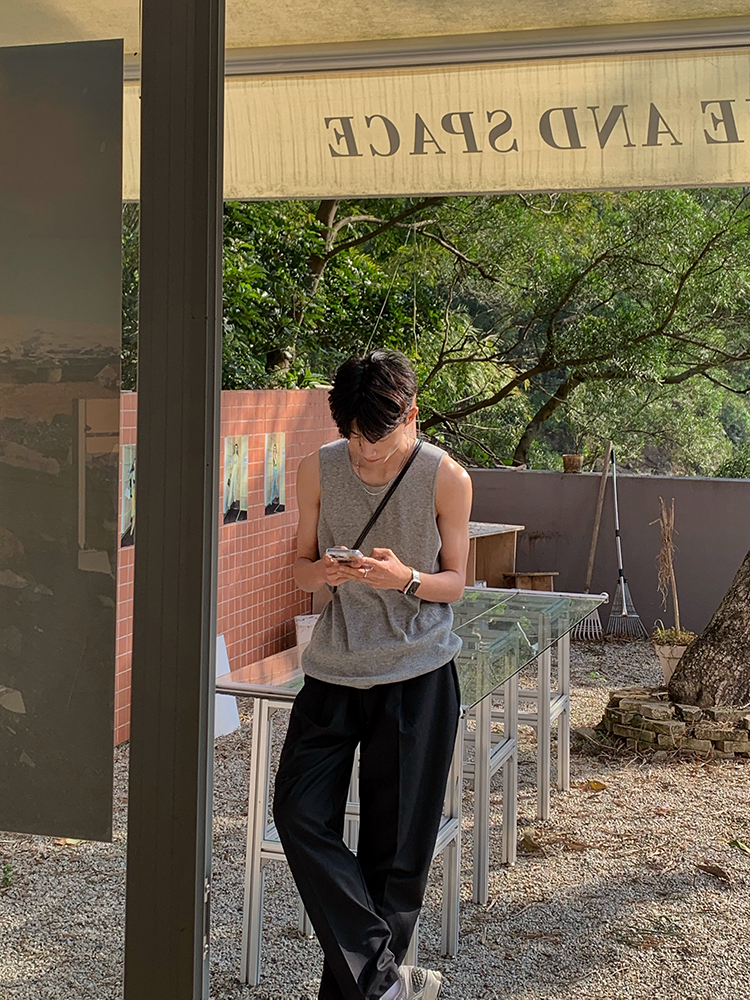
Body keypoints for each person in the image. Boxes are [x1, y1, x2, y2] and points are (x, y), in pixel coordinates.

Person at [273, 350, 472, 1000]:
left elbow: (455, 583)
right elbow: (299, 570)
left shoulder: (447, 478)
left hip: (418, 677)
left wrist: (404, 578)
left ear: (411, 415)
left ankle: (375, 988)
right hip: (334, 672)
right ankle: (385, 983)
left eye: (376, 440)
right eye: (354, 438)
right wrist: (324, 573)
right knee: (297, 812)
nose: (364, 453)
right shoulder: (317, 468)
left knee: (394, 861)